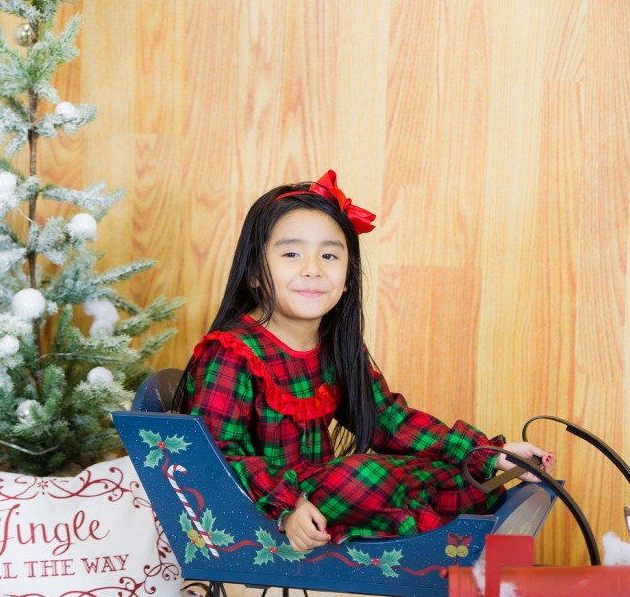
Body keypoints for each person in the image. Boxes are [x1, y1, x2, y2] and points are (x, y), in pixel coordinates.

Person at [175, 170, 555, 552]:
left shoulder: (334, 348)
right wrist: (289, 505)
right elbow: (218, 456)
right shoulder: (232, 353)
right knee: (364, 475)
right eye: (291, 254)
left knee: (447, 473)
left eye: (329, 255)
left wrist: (489, 455)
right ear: (255, 272)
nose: (313, 268)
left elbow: (389, 421)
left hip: (327, 492)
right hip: (262, 504)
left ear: (347, 279)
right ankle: (420, 528)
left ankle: (450, 526)